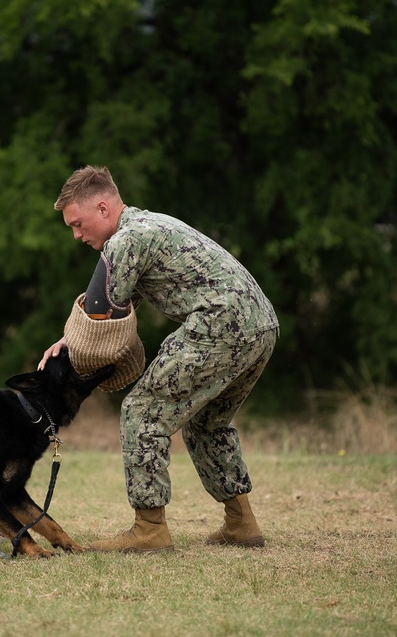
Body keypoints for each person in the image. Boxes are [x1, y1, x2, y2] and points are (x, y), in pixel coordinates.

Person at [38, 165, 280, 552]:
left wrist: (72, 353)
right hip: (262, 325)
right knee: (207, 422)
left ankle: (149, 529)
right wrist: (69, 339)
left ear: (103, 208)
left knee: (141, 410)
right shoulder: (150, 226)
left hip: (221, 325)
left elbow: (99, 312)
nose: (77, 235)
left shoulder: (125, 241)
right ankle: (241, 523)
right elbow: (117, 309)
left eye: (78, 224)